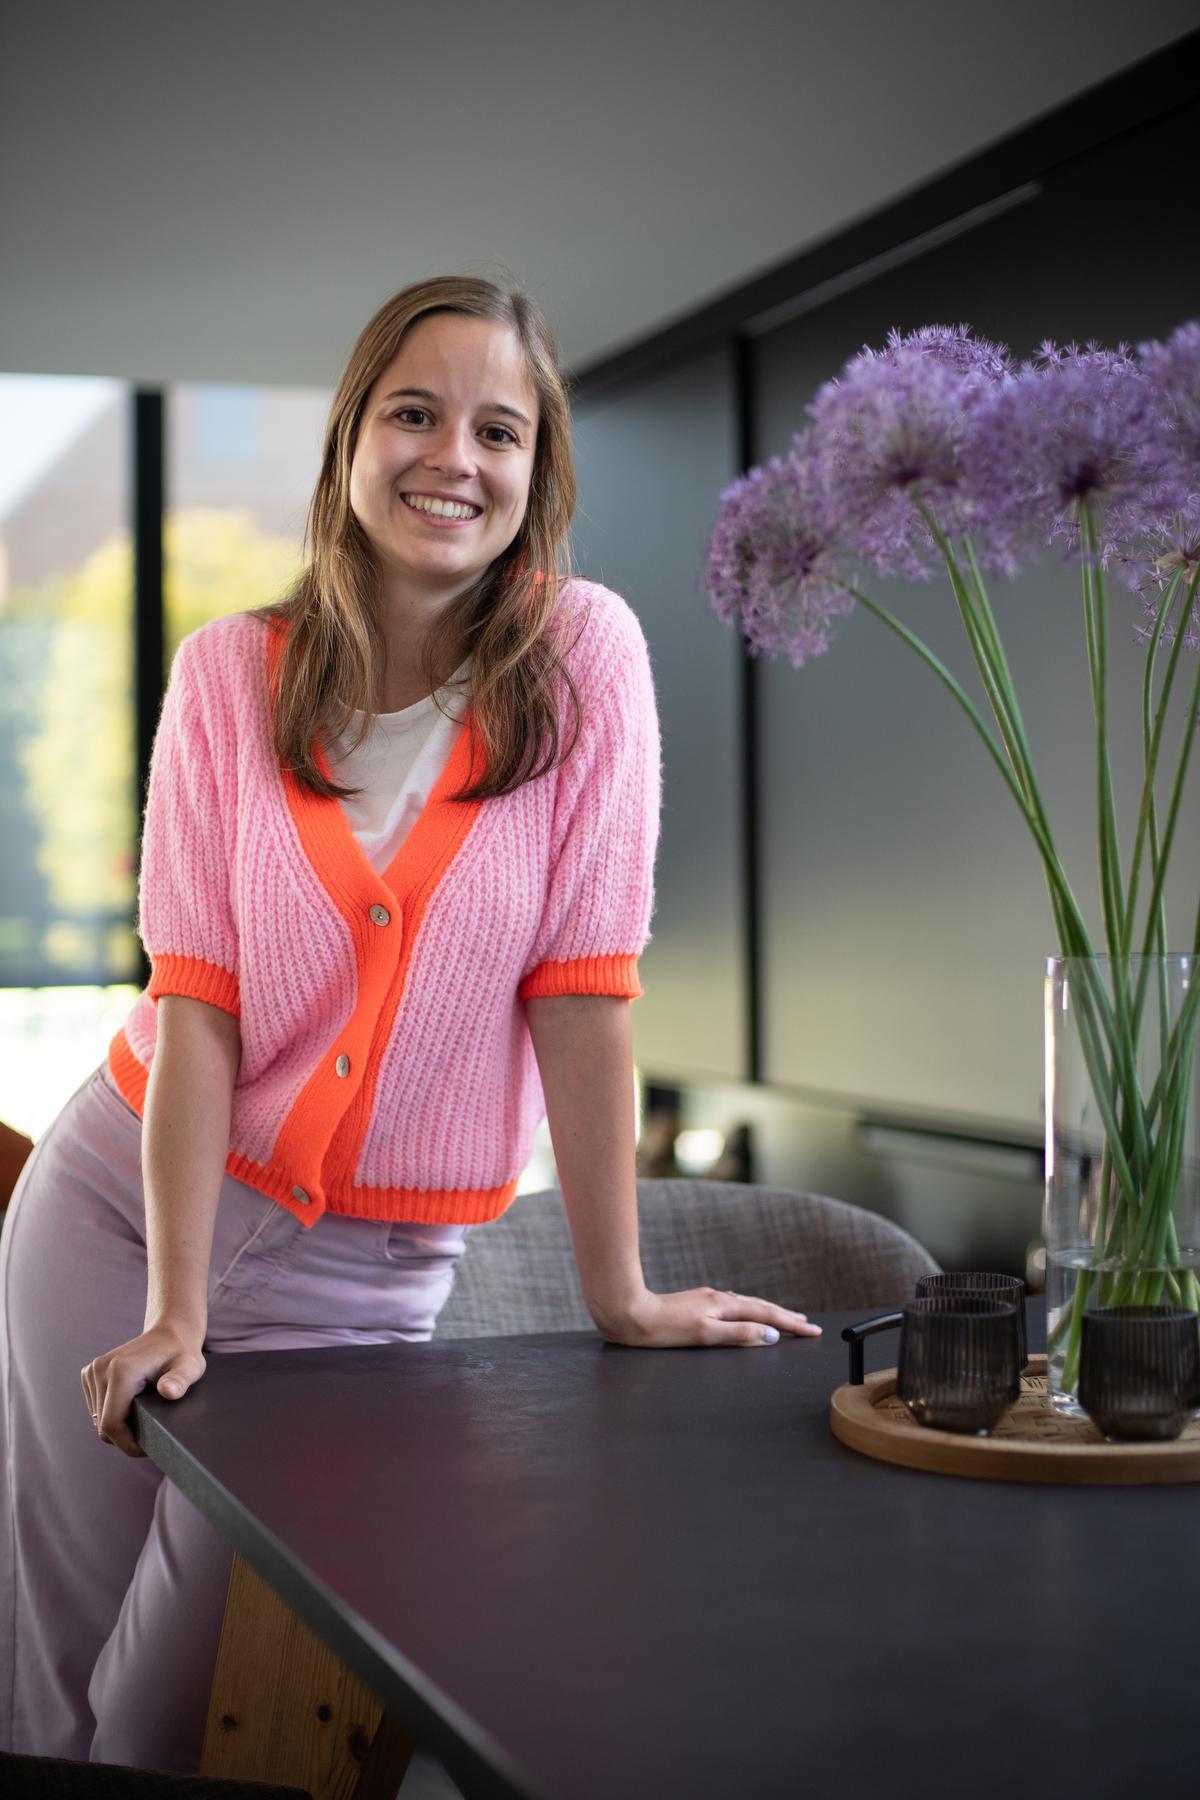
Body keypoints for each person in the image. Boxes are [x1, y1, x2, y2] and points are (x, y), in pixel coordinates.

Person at [0, 273, 821, 1772]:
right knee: (50, 1673)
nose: (457, 456)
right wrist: (176, 1308)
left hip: (361, 1293)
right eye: (417, 413)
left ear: (537, 470)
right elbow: (194, 1001)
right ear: (351, 442)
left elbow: (584, 989)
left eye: (499, 429)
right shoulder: (225, 674)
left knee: (162, 1710)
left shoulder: (588, 660)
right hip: (120, 1210)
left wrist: (619, 1293)